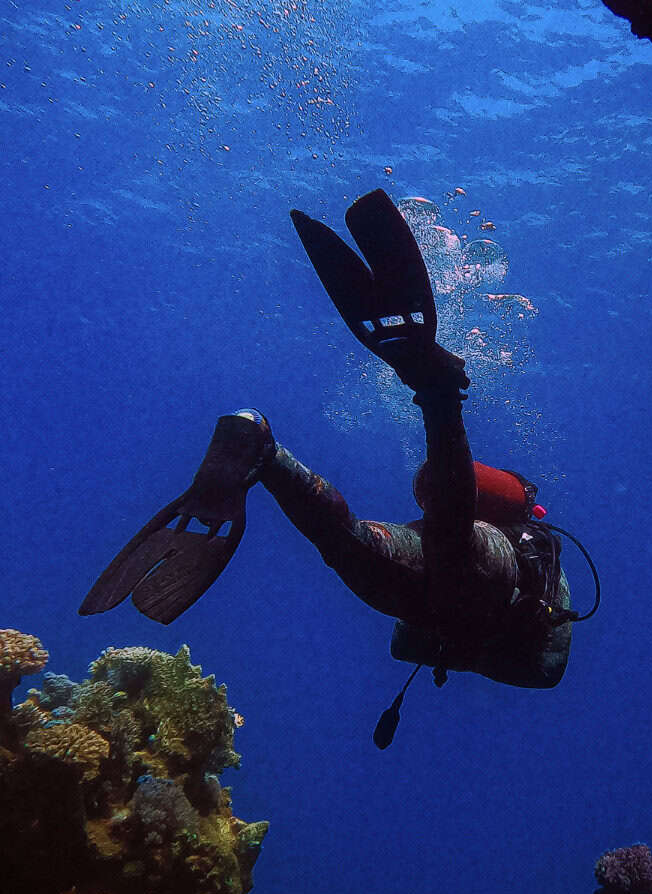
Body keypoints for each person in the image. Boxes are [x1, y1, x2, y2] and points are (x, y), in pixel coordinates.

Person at [80, 189, 581, 707]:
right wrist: (467, 649)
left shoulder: (513, 567)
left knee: (355, 538)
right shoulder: (544, 591)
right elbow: (544, 672)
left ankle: (266, 451)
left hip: (430, 583)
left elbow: (404, 643)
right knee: (422, 547)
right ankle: (436, 394)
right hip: (463, 592)